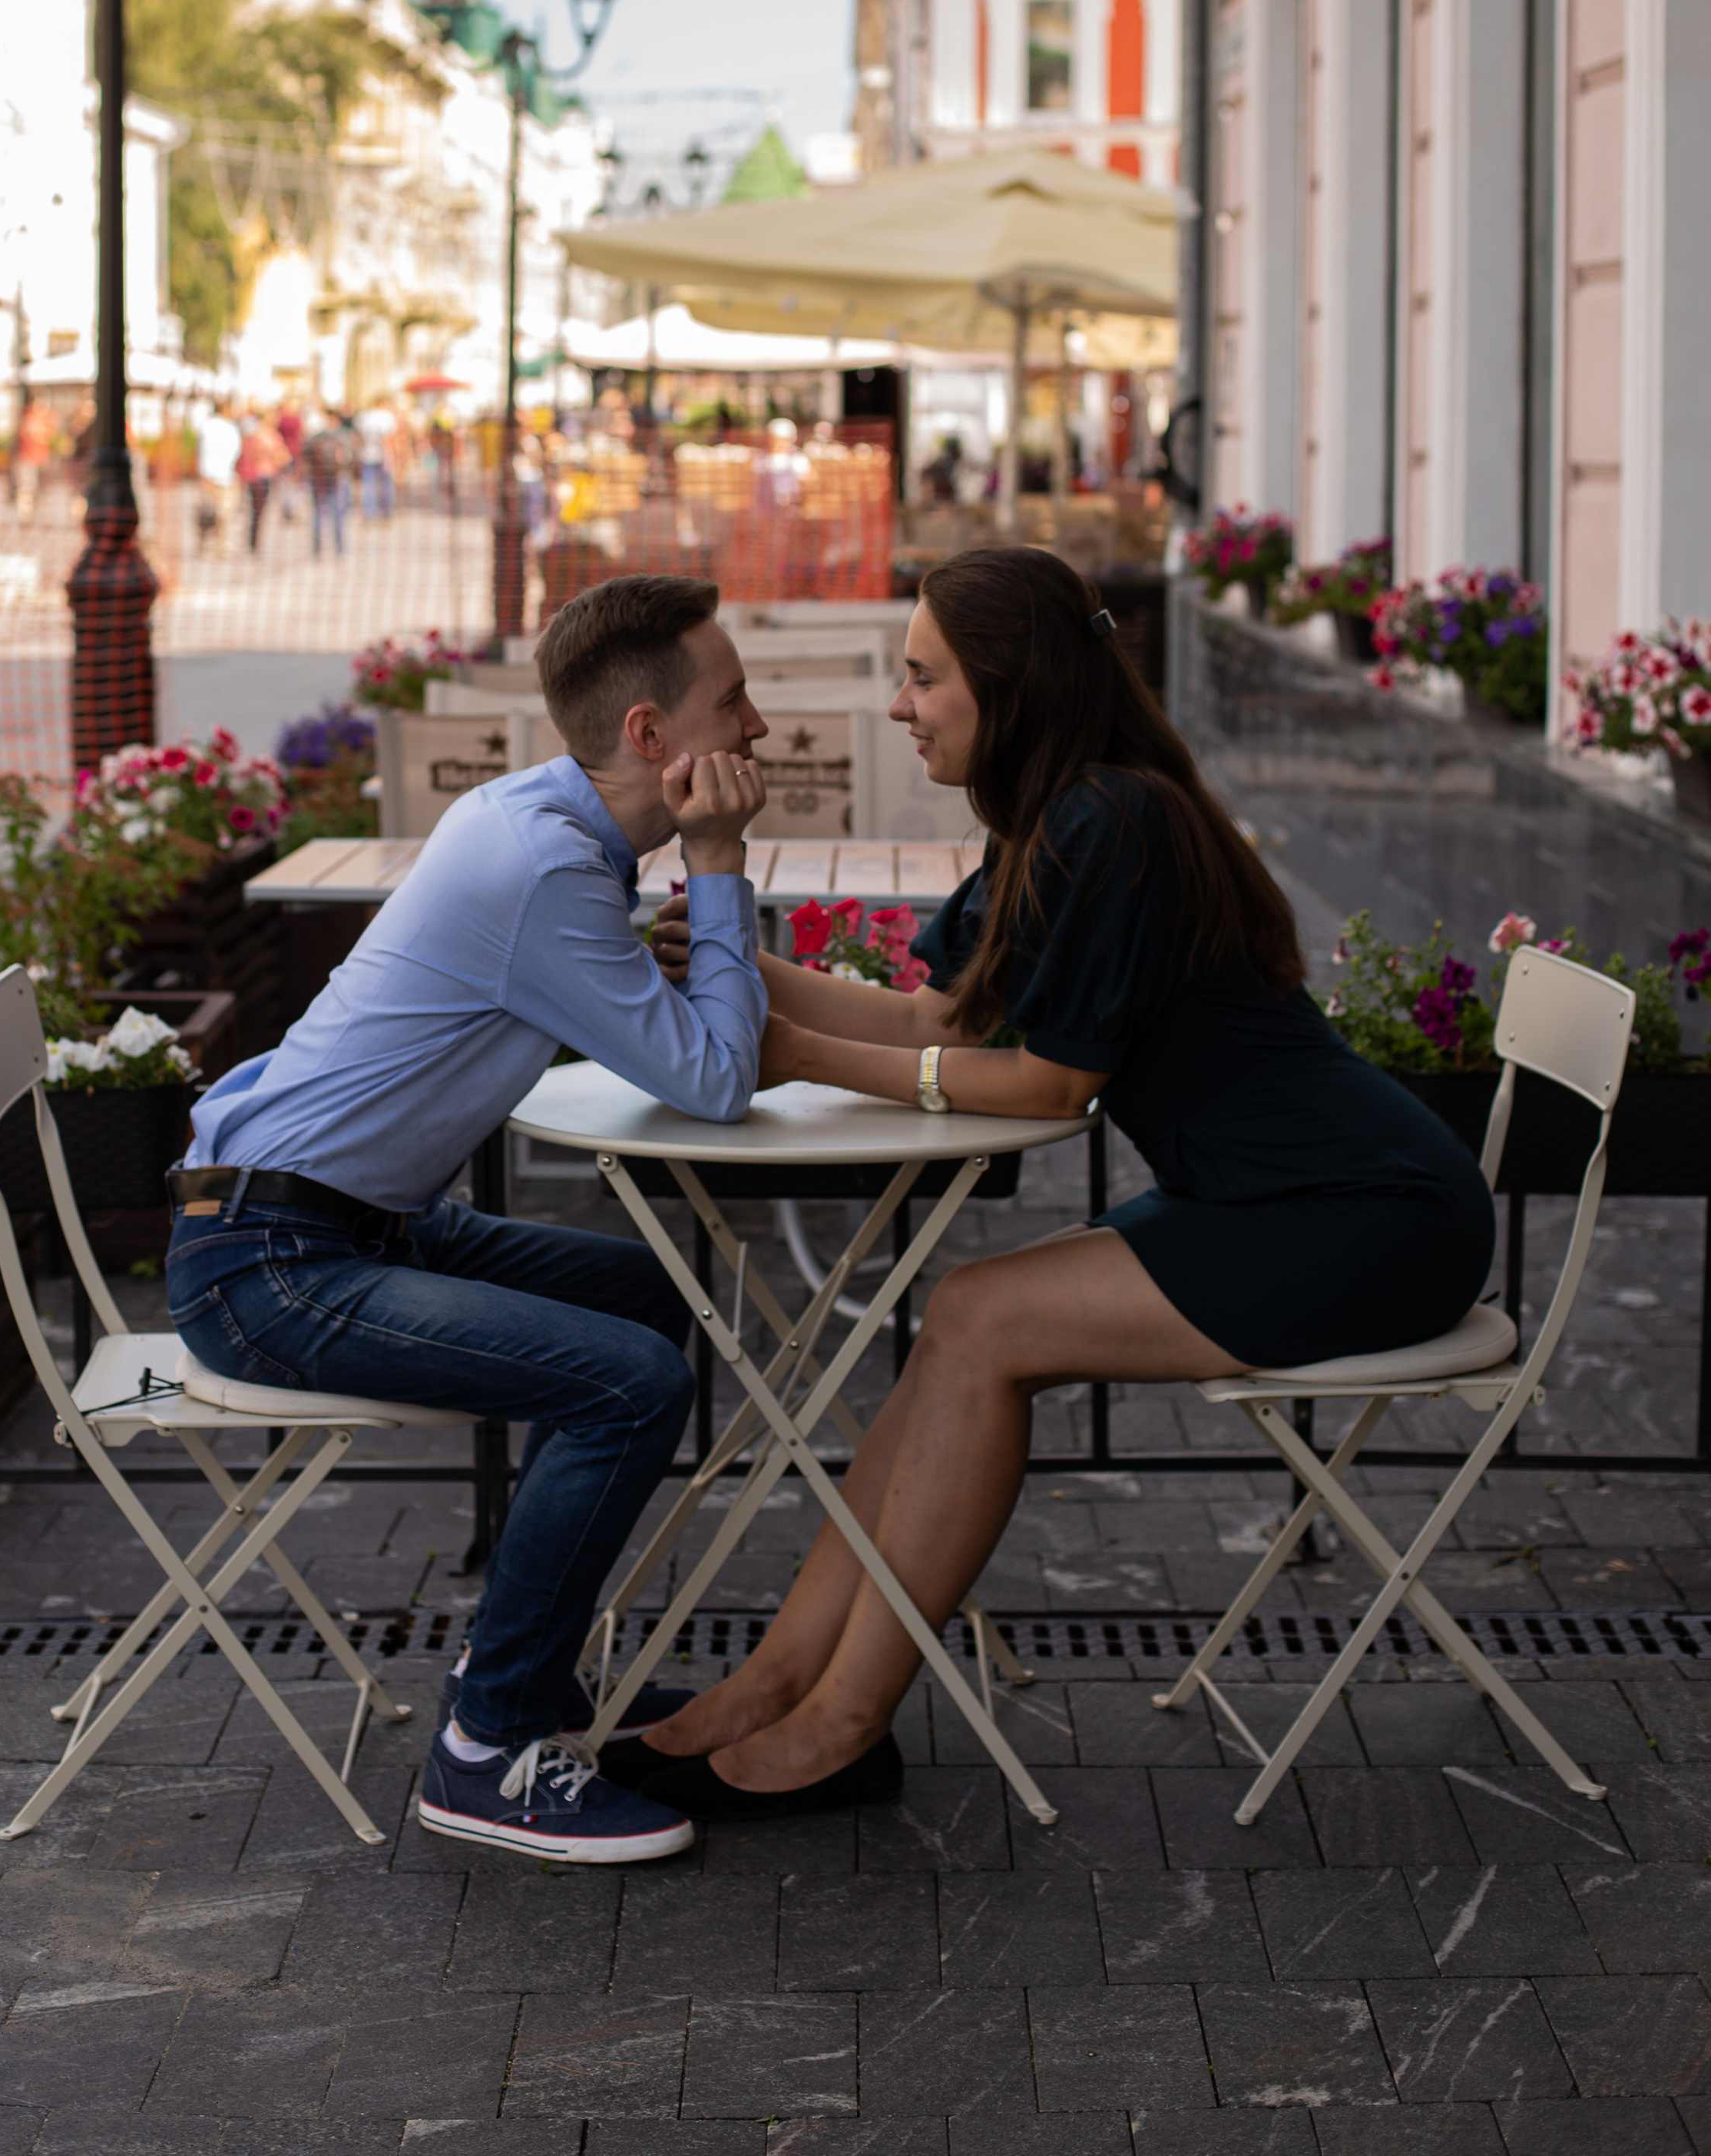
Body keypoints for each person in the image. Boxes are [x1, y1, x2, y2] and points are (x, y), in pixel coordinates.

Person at [621, 545, 1494, 1820]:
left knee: (979, 1320)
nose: (898, 706)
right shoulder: (1059, 817)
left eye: (922, 677)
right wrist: (724, 948)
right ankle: (777, 1683)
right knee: (962, 1324)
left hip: (1365, 1220)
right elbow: (944, 1015)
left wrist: (802, 1052)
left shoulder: (1114, 822)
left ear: (1008, 682)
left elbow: (1046, 1086)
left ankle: (845, 1724)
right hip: (1265, 1197)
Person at [167, 574, 773, 1865]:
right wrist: (717, 866)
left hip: (342, 1225)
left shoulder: (542, 826)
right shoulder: (546, 864)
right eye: (736, 701)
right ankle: (487, 1746)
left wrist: (650, 946)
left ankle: (540, 1677)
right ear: (653, 741)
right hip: (266, 1266)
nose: (764, 728)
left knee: (648, 1300)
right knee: (629, 1383)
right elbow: (714, 1082)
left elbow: (642, 1033)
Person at [303, 407, 352, 558]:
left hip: (318, 480)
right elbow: (349, 457)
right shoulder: (343, 436)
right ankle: (340, 550)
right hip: (337, 479)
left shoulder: (315, 437)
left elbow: (306, 456)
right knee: (338, 514)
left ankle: (316, 550)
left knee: (319, 513)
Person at [194, 399, 240, 555]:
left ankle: (219, 544)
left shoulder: (228, 427)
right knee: (216, 513)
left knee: (221, 513)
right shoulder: (213, 427)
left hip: (222, 475)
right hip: (216, 474)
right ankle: (212, 544)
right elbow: (204, 451)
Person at [237, 412, 286, 552]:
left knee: (254, 510)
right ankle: (254, 543)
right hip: (264, 475)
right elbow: (281, 455)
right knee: (259, 511)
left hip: (252, 476)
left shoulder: (250, 436)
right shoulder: (269, 435)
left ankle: (252, 541)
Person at [12, 395, 55, 521]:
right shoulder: (28, 415)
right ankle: (25, 514)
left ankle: (33, 511)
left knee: (38, 488)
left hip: (41, 457)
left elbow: (49, 435)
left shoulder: (48, 417)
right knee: (26, 486)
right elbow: (25, 433)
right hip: (27, 457)